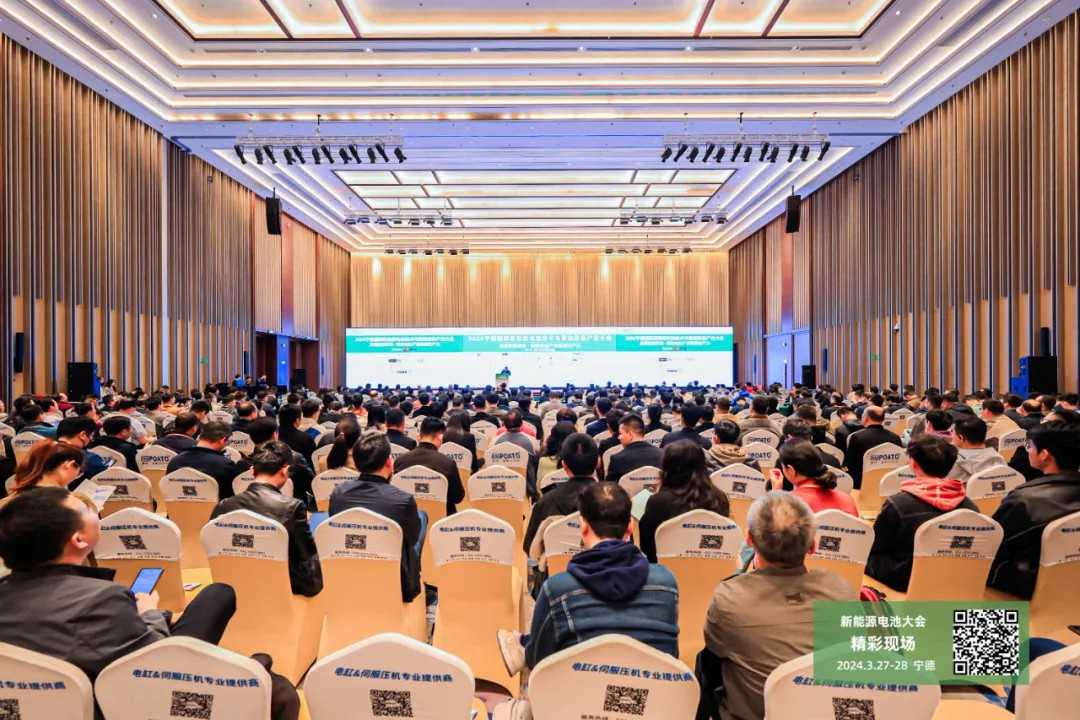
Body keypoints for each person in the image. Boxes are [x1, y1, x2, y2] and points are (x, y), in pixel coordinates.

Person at [0, 487, 301, 720]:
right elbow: (154, 661)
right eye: (85, 509)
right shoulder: (101, 599)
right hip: (126, 699)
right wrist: (150, 613)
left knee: (217, 594)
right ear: (79, 539)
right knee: (277, 689)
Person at [700, 492, 856, 720]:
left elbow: (715, 646)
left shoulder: (730, 600)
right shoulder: (843, 591)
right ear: (813, 545)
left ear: (749, 539)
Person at [498, 482, 679, 674]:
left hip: (577, 691)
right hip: (650, 691)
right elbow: (671, 654)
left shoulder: (557, 589)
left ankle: (521, 643)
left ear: (583, 527)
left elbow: (538, 661)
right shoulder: (667, 583)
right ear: (630, 527)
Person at [865, 435, 978, 592]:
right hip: (951, 579)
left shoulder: (898, 504)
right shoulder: (971, 507)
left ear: (913, 463)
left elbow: (875, 547)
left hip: (903, 579)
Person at [211, 442, 322, 597]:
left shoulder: (222, 506)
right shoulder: (292, 507)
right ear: (285, 470)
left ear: (252, 472)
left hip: (234, 590)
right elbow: (307, 560)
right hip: (283, 590)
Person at [989, 420, 1080, 598]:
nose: (1027, 450)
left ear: (1044, 455)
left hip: (1031, 594)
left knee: (946, 614)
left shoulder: (1024, 501)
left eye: (1029, 446)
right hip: (1072, 590)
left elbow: (991, 547)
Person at [328, 431, 422, 602]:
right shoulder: (403, 500)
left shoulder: (338, 493)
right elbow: (412, 539)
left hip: (348, 573)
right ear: (389, 462)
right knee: (420, 519)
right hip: (395, 583)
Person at [638, 441, 730, 563]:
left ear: (667, 468)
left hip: (666, 571)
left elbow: (647, 547)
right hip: (714, 569)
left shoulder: (659, 502)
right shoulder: (720, 498)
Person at [522, 433, 599, 552]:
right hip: (601, 563)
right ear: (598, 463)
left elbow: (529, 547)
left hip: (554, 563)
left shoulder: (545, 502)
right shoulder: (613, 500)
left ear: (564, 465)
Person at [394, 417, 466, 515]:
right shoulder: (447, 463)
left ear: (419, 436)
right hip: (441, 518)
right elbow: (457, 497)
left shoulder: (400, 461)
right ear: (440, 437)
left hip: (408, 517)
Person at [777, 440, 858, 516]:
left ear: (791, 470)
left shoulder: (786, 504)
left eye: (783, 467)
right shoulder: (847, 500)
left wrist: (776, 493)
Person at [166, 421, 242, 500]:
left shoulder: (175, 461)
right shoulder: (225, 465)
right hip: (215, 508)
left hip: (177, 507)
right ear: (223, 440)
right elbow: (231, 497)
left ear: (200, 436)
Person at [842, 406, 902, 489]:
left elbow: (849, 464)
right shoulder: (895, 437)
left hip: (862, 485)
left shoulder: (857, 437)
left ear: (866, 418)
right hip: (889, 484)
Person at [6, 441, 84, 497]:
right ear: (69, 465)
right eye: (79, 472)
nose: (75, 477)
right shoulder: (69, 504)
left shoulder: (11, 498)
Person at [606, 413, 663, 486]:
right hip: (659, 493)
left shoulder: (617, 459)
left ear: (630, 434)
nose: (619, 437)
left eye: (620, 433)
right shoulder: (663, 454)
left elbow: (611, 488)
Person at [948, 415, 1006, 482]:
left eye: (953, 432)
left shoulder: (952, 462)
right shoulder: (999, 459)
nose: (951, 436)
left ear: (961, 438)